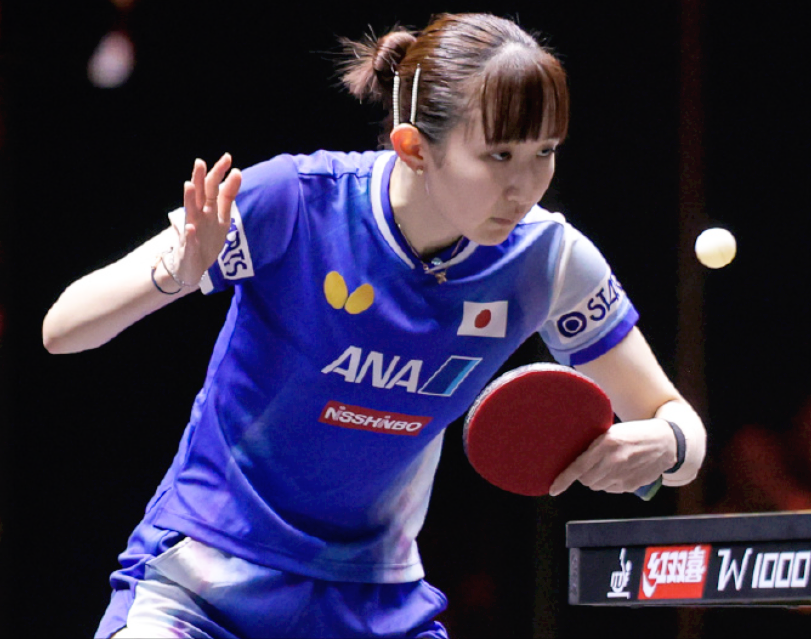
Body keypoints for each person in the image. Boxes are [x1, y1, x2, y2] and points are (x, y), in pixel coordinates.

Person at [42, 12, 706, 639]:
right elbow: (63, 328)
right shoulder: (296, 204)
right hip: (204, 580)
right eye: (499, 155)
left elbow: (680, 428)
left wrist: (667, 442)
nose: (525, 186)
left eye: (545, 151)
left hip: (372, 603)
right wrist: (176, 274)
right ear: (413, 147)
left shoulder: (546, 262)